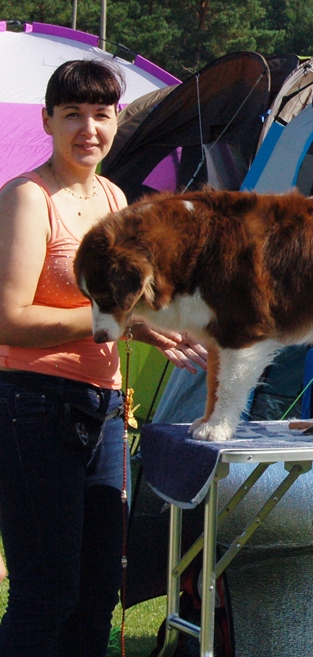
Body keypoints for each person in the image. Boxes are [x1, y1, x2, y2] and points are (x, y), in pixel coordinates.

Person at [0, 59, 207, 657]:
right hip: (34, 408)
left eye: (101, 114)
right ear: (47, 121)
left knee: (97, 594)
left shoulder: (113, 196)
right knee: (46, 594)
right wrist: (119, 321)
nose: (88, 129)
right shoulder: (27, 199)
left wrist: (149, 327)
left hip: (106, 409)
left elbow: (116, 308)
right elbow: (10, 320)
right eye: (73, 114)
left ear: (117, 120)